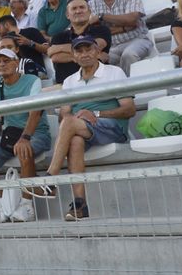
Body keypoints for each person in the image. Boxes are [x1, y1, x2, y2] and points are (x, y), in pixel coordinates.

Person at [42, 36, 136, 222]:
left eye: (89, 49)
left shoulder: (114, 72)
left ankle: (51, 178)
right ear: (73, 56)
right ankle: (80, 204)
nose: (84, 54)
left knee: (70, 123)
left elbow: (129, 110)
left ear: (98, 52)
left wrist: (96, 113)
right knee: (75, 141)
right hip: (83, 128)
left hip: (112, 127)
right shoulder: (70, 81)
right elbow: (64, 115)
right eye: (79, 51)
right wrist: (74, 116)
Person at [0, 49, 49, 223]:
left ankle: (26, 206)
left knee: (24, 149)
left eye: (6, 61)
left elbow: (35, 111)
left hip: (36, 133)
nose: (2, 64)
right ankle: (5, 205)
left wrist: (25, 138)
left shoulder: (32, 80)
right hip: (11, 136)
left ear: (16, 62)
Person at [87, 0, 154, 71]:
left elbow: (131, 20)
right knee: (96, 60)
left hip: (136, 40)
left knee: (129, 55)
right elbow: (94, 31)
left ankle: (131, 82)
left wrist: (102, 16)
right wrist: (124, 28)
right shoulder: (92, 4)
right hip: (111, 47)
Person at [47, 0, 112, 82]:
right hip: (66, 84)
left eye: (82, 7)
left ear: (89, 12)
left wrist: (58, 48)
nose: (78, 11)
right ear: (67, 15)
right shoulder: (58, 37)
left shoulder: (101, 30)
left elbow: (97, 46)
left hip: (99, 81)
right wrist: (89, 56)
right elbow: (55, 57)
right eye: (74, 8)